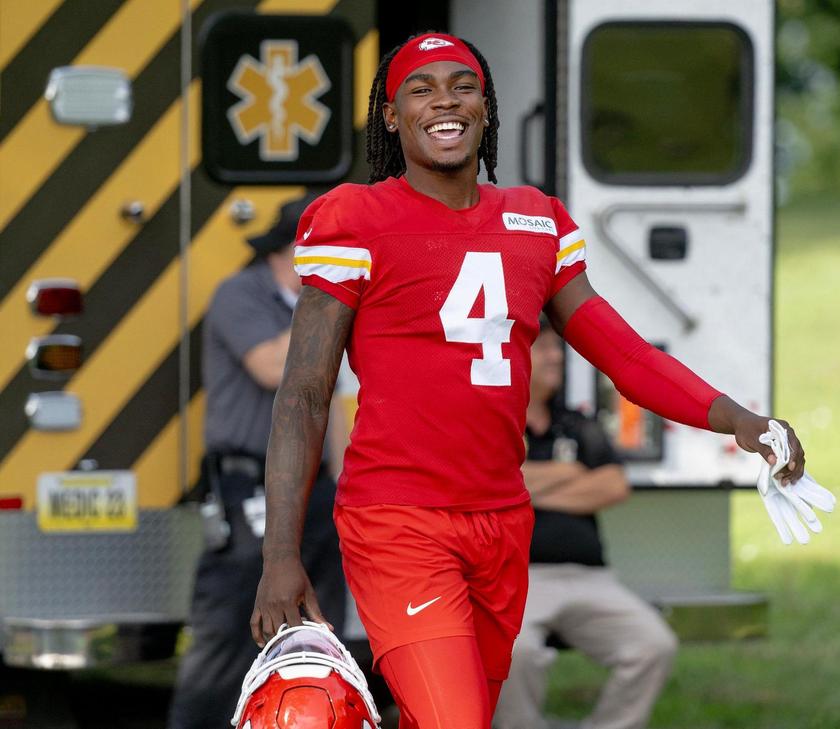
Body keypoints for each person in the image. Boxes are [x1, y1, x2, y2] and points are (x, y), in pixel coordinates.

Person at [249, 32, 804, 729]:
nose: (445, 99)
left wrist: (741, 422)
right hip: (399, 521)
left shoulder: (535, 220)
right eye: (421, 88)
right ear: (391, 116)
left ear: (487, 105)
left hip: (503, 523)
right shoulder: (356, 219)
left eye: (463, 84)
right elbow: (303, 391)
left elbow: (625, 356)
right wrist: (280, 554)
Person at [168, 194, 348, 729]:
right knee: (229, 629)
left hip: (316, 490)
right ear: (295, 250)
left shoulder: (317, 308)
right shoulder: (240, 295)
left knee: (317, 632)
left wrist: (342, 487)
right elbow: (272, 367)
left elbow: (330, 404)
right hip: (251, 488)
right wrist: (327, 302)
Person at [493, 321, 678, 729]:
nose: (557, 356)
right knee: (515, 651)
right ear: (515, 359)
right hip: (520, 578)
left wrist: (527, 484)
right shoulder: (494, 425)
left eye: (558, 348)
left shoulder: (578, 424)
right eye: (544, 348)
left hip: (591, 578)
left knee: (653, 643)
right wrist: (569, 471)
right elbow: (489, 483)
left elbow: (613, 485)